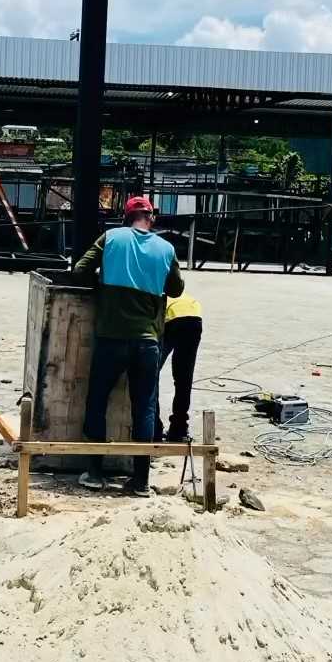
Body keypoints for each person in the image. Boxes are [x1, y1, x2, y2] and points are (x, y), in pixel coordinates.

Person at [74, 196, 184, 494]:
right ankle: (141, 481)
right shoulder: (166, 249)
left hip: (111, 338)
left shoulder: (110, 238)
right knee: (144, 408)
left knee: (98, 401)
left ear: (127, 216)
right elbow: (176, 289)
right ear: (152, 218)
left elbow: (80, 270)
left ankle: (95, 472)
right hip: (147, 342)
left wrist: (104, 285)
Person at [155, 291, 203, 443]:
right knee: (184, 379)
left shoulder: (155, 292)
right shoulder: (181, 293)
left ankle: (154, 428)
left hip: (171, 321)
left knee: (151, 375)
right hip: (195, 319)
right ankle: (179, 429)